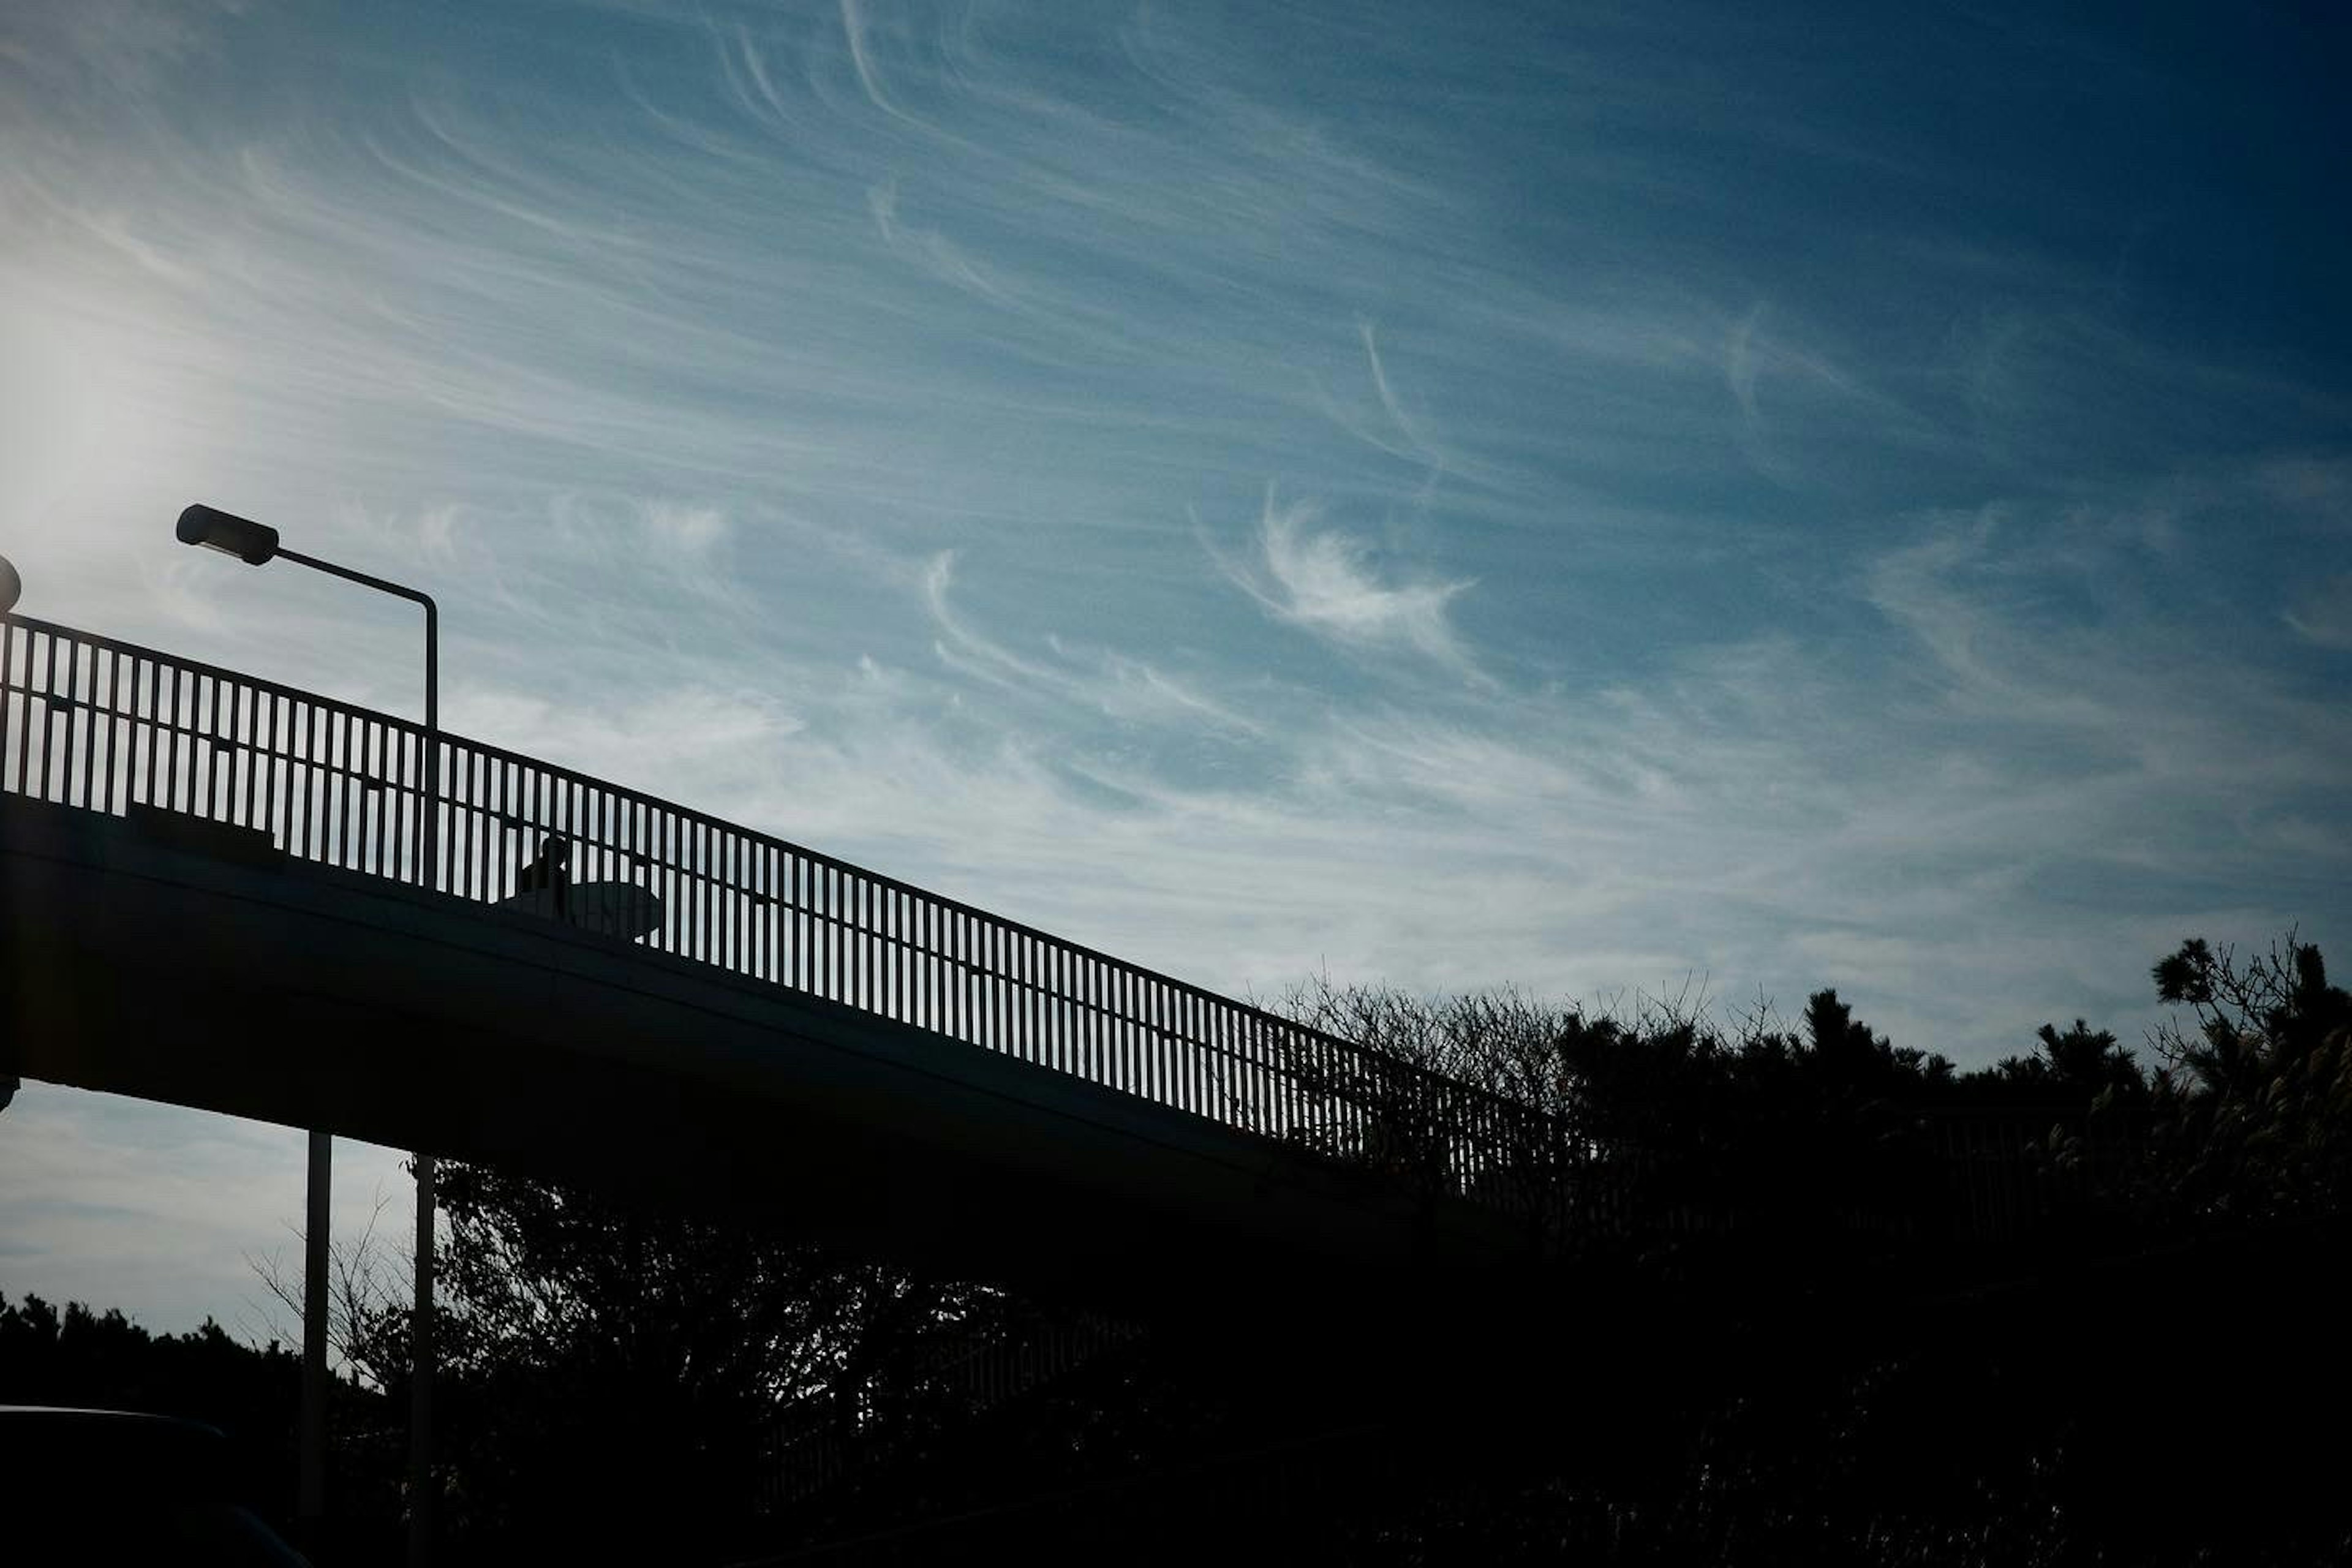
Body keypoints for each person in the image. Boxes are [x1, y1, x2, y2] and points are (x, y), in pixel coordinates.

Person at [518, 834, 571, 921]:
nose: (564, 858)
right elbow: (562, 903)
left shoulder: (529, 870)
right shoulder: (559, 875)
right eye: (562, 853)